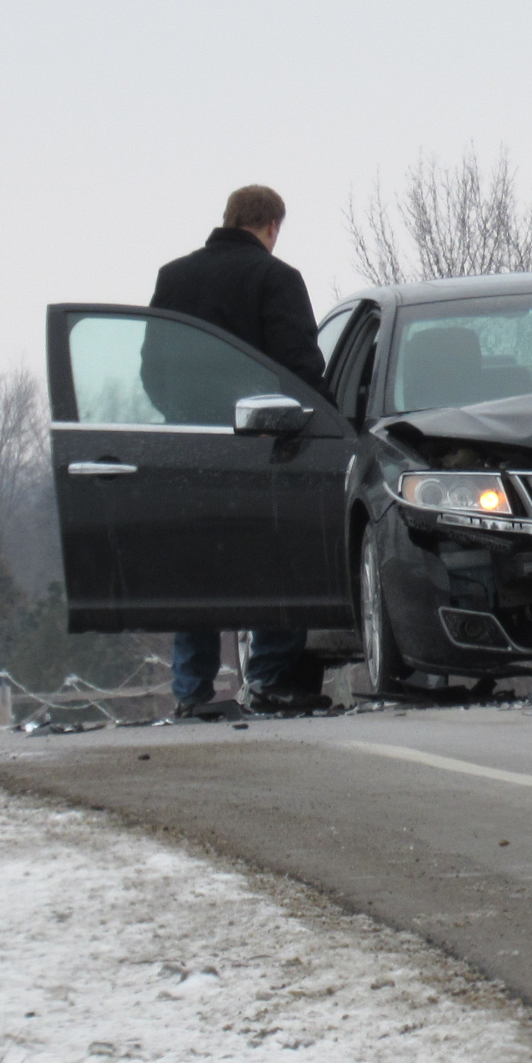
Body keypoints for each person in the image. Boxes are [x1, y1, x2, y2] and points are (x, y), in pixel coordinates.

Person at [151, 184, 332, 717]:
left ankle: (192, 692)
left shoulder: (173, 277)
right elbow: (300, 366)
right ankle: (269, 680)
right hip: (263, 446)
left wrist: (183, 416)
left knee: (195, 567)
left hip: (189, 448)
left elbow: (151, 367)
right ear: (272, 227)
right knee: (279, 559)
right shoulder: (276, 279)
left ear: (228, 218)